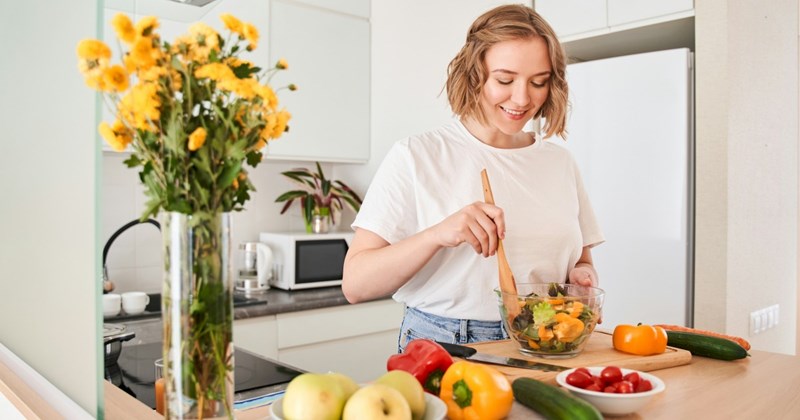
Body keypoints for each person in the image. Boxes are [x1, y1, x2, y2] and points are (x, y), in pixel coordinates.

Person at [342, 4, 604, 352]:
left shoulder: (559, 162)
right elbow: (356, 284)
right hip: (448, 342)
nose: (523, 98)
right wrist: (438, 234)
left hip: (547, 338)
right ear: (473, 73)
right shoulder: (417, 155)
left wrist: (583, 278)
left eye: (538, 82)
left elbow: (581, 260)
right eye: (505, 80)